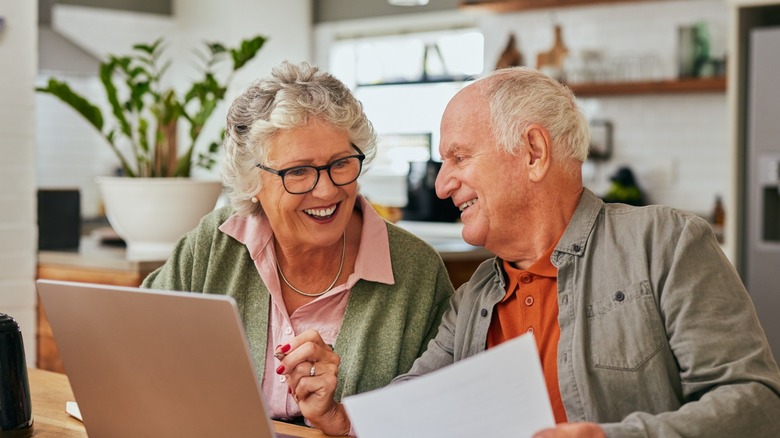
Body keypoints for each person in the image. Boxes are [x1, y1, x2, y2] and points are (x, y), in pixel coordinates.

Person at [319, 66, 780, 436]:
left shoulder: (665, 243)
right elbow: (412, 406)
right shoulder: (474, 296)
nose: (441, 184)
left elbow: (755, 403)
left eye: (459, 157)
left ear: (534, 152)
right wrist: (344, 420)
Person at [142, 61, 454, 436]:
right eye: (298, 172)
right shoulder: (215, 241)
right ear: (251, 180)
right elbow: (135, 344)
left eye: (340, 163)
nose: (326, 191)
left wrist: (341, 418)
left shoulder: (416, 270)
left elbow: (441, 418)